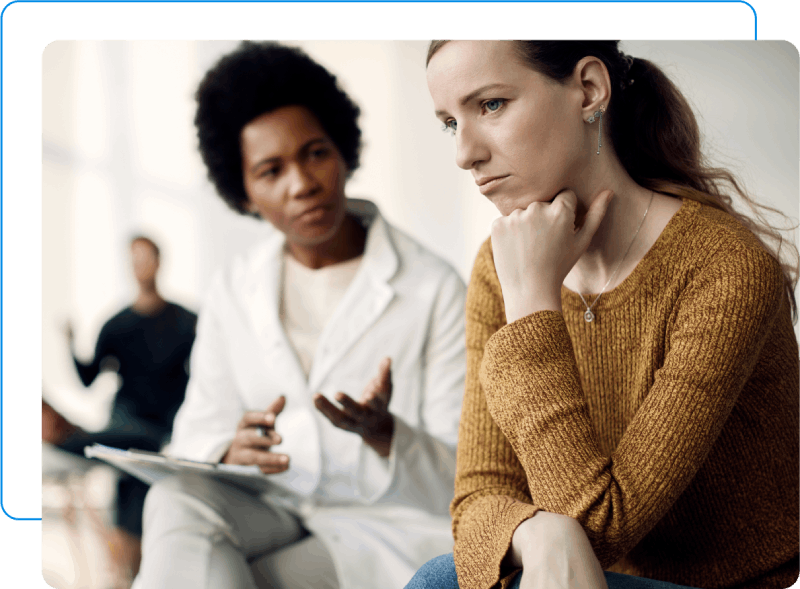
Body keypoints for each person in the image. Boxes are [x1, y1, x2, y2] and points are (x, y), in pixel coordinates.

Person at [407, 39, 800, 589]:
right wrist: (537, 534)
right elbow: (477, 502)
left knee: (440, 583)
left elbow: (600, 529)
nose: (464, 152)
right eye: (451, 122)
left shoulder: (723, 267)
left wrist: (532, 309)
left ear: (589, 90)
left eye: (490, 105)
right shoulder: (502, 266)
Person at [130, 40, 466, 589]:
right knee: (174, 501)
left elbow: (464, 476)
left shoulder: (435, 288)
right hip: (272, 505)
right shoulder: (233, 289)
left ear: (343, 150)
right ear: (243, 194)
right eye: (271, 170)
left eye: (315, 152)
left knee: (233, 578)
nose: (302, 183)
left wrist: (386, 434)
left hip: (382, 527)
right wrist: (225, 448)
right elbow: (196, 431)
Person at [42, 235, 198, 577]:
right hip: (127, 421)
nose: (140, 266)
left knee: (134, 456)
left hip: (163, 425)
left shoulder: (187, 322)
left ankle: (128, 567)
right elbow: (88, 379)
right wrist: (69, 343)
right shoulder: (116, 325)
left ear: (159, 262)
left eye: (145, 258)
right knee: (132, 458)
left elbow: (204, 379)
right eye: (133, 259)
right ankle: (132, 567)